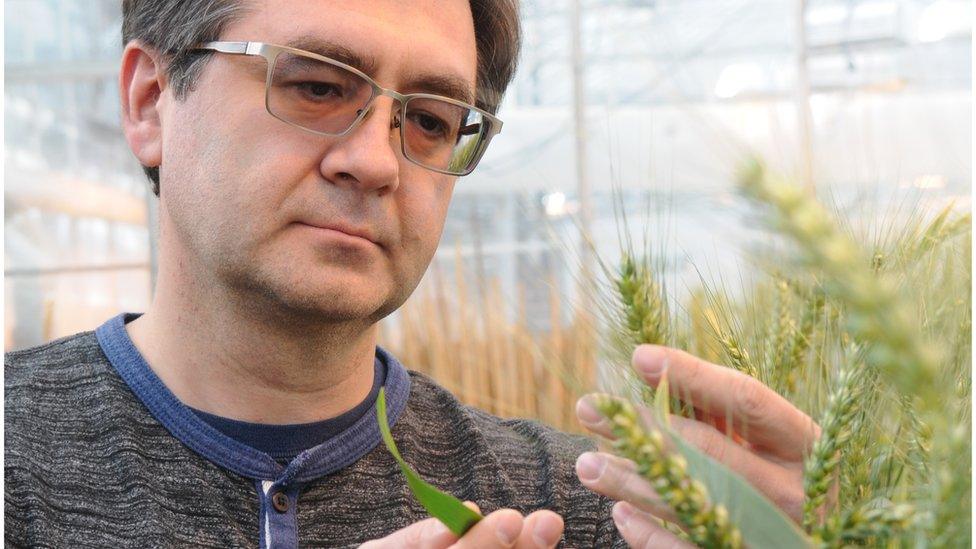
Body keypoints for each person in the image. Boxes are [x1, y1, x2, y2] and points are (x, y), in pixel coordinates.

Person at [5, 1, 819, 547]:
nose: (374, 161)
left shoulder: (579, 509)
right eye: (317, 85)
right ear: (151, 102)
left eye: (429, 120)